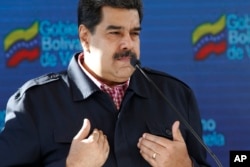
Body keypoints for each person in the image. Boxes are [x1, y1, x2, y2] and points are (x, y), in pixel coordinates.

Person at [0, 0, 210, 166]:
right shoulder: (35, 103)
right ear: (85, 37)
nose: (127, 43)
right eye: (115, 33)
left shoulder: (177, 95)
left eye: (134, 33)